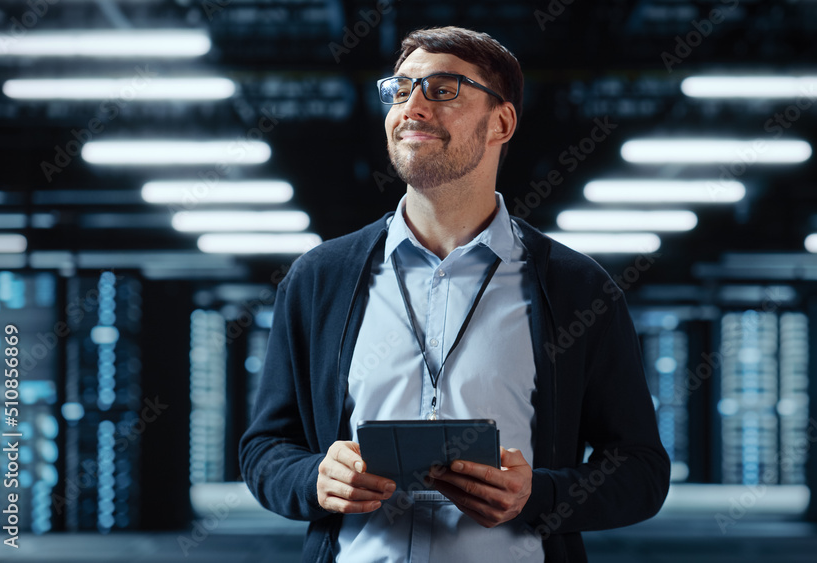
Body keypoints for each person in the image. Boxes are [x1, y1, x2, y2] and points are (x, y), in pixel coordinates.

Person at [239, 26, 670, 563]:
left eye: (442, 90)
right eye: (399, 90)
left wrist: (539, 494)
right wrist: (314, 479)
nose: (412, 108)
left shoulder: (578, 290)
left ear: (502, 122)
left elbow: (642, 471)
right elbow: (264, 450)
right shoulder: (320, 279)